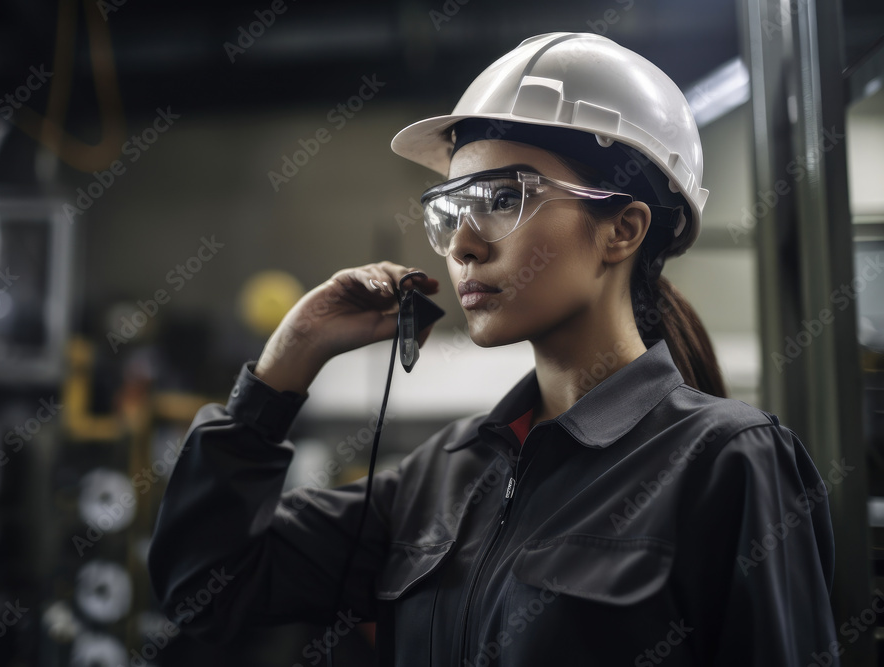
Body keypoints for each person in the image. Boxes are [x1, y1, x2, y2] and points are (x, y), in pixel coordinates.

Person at [147, 33, 838, 665]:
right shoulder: (439, 481)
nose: (463, 243)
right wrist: (287, 362)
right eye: (450, 209)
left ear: (622, 229)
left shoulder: (727, 463)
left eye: (505, 197)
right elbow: (205, 586)